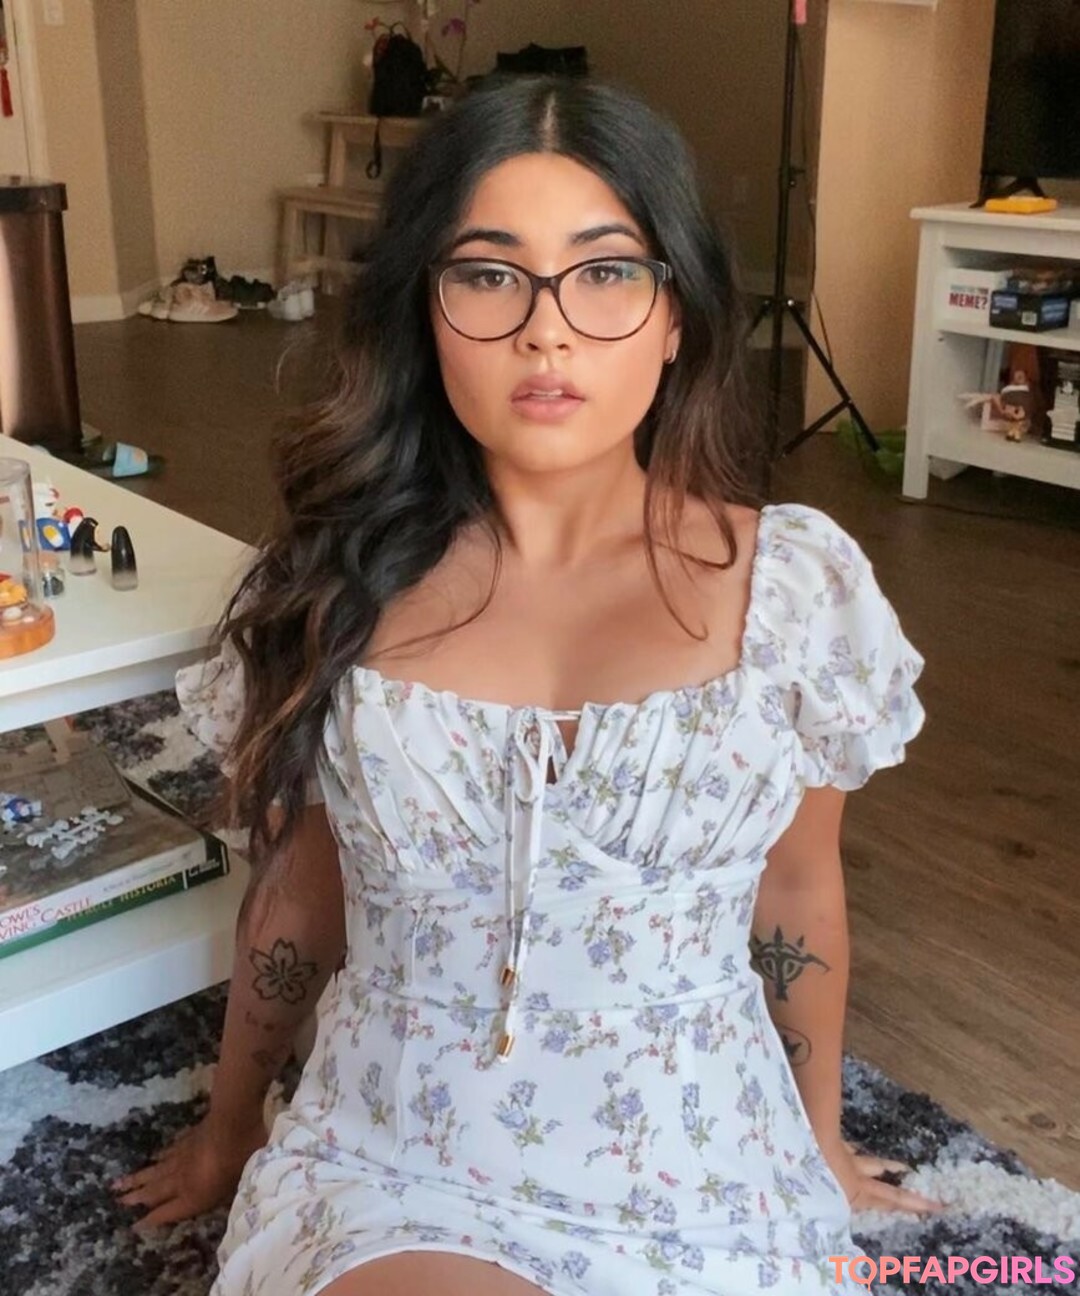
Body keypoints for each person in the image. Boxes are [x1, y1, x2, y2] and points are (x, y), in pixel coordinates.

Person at [112, 76, 939, 1296]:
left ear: (676, 315)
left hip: (700, 1159)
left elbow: (798, 888)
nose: (547, 331)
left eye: (604, 272)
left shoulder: (796, 591)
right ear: (424, 310)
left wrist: (815, 1144)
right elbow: (300, 888)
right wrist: (230, 1130)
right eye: (491, 274)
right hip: (404, 1155)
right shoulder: (332, 586)